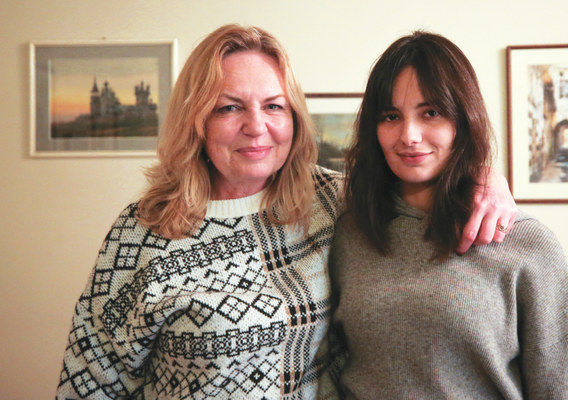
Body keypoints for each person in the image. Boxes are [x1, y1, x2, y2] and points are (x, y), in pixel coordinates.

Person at [55, 25, 516, 399]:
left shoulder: (333, 199)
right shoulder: (142, 229)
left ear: (294, 116)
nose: (256, 127)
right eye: (229, 107)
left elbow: (423, 170)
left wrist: (486, 178)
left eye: (274, 106)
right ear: (195, 120)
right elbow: (91, 379)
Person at [324, 31, 568, 399]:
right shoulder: (345, 231)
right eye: (391, 116)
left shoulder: (527, 243)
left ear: (464, 119)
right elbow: (326, 367)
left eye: (430, 113)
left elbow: (559, 388)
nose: (409, 135)